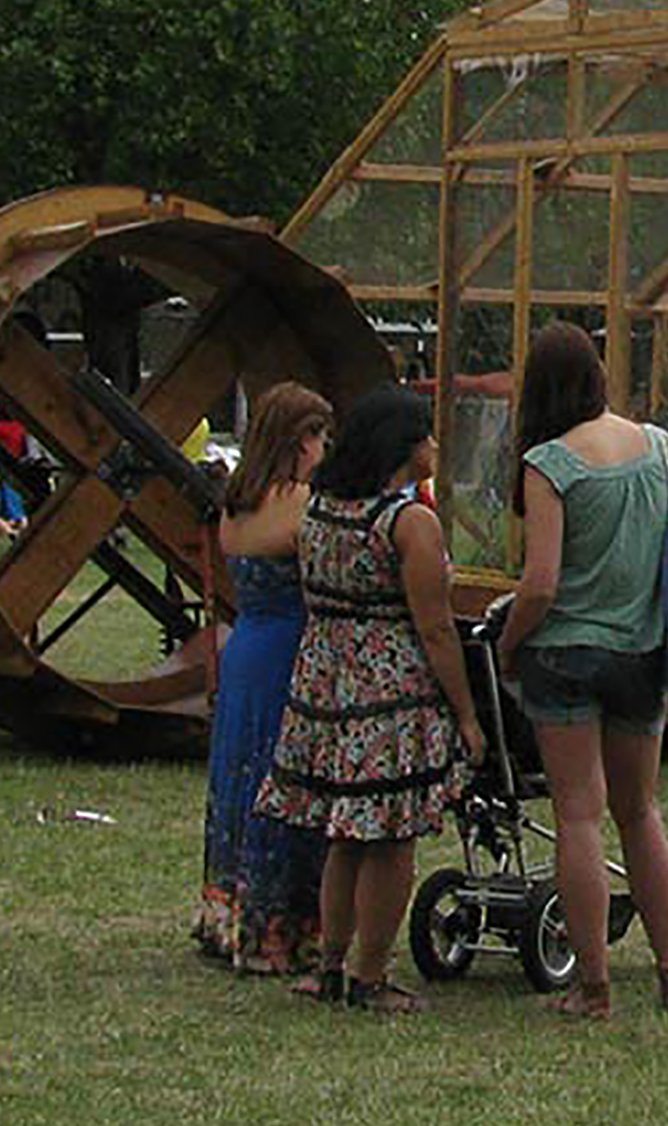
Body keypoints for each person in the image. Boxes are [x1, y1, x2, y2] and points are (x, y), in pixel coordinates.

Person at [496, 321, 668, 1020]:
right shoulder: (660, 446)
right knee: (640, 811)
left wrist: (508, 645)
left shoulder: (548, 462)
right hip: (642, 651)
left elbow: (542, 582)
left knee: (578, 814)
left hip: (565, 654)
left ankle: (593, 983)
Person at [255, 386, 485, 1014]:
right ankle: (372, 974)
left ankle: (331, 964)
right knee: (389, 838)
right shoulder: (407, 522)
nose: (436, 447)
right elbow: (434, 628)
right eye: (427, 437)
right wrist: (466, 713)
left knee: (344, 836)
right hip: (390, 695)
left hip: (327, 685)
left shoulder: (322, 510)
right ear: (405, 448)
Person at [197, 382, 332, 973]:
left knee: (239, 778)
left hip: (247, 644)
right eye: (321, 437)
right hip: (291, 650)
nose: (326, 449)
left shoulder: (237, 501)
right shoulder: (304, 503)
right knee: (288, 782)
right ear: (300, 440)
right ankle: (284, 925)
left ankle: (228, 912)